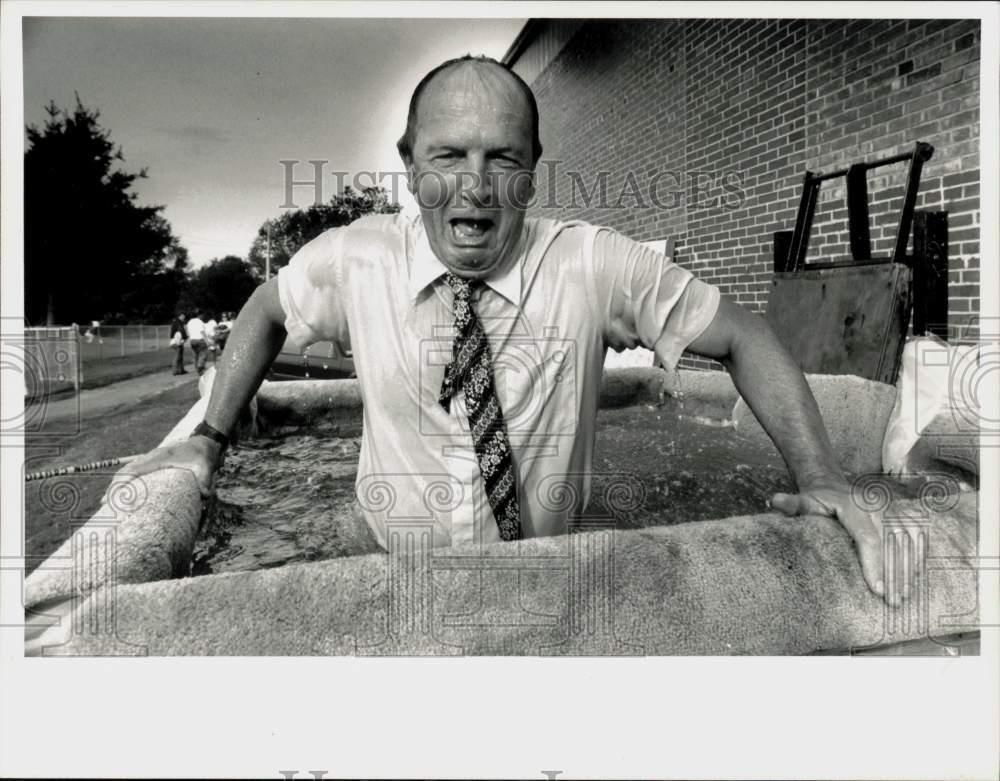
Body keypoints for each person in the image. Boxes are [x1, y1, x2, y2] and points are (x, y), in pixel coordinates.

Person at [123, 55, 905, 606]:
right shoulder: (356, 257)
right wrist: (210, 439)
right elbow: (265, 310)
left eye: (502, 158)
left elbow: (744, 336)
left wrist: (822, 478)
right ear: (410, 164)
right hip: (383, 565)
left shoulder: (593, 264)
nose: (474, 185)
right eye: (448, 155)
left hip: (549, 576)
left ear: (532, 167)